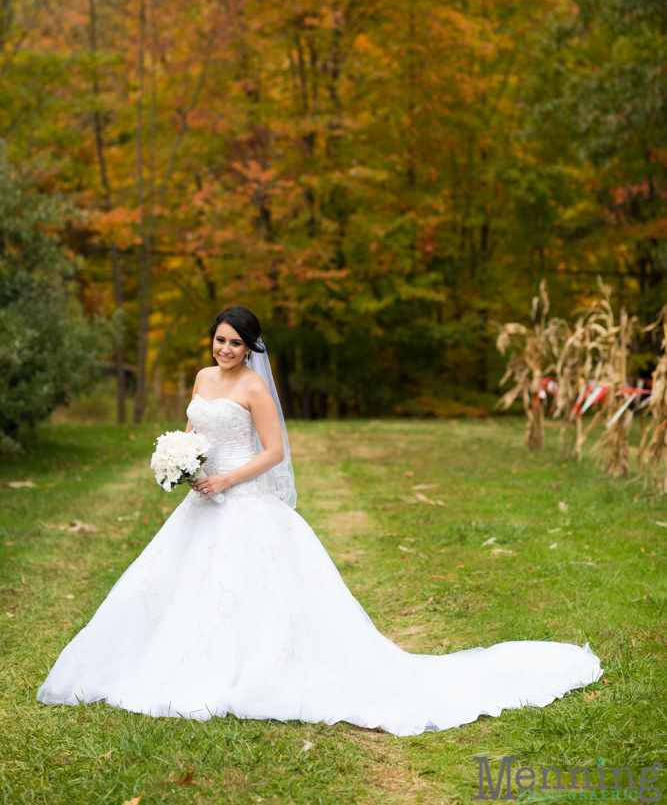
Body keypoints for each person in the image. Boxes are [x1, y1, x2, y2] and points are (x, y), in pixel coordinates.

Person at [38, 305, 601, 736]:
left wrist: (227, 481)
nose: (226, 349)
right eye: (219, 340)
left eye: (235, 343)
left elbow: (274, 452)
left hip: (245, 497)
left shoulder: (255, 387)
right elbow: (199, 434)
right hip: (203, 498)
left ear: (250, 346)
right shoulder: (202, 379)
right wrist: (185, 463)